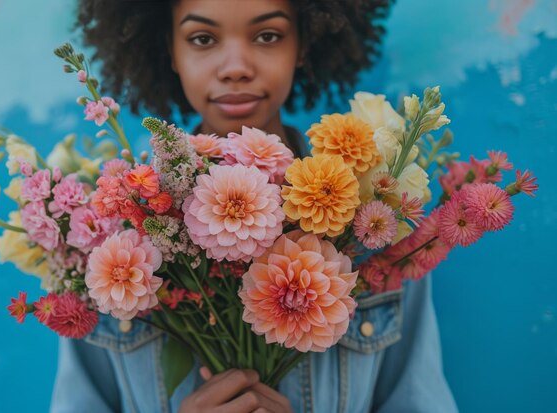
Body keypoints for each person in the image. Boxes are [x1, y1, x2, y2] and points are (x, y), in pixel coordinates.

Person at [51, 1, 458, 412]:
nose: (235, 67)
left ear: (302, 43)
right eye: (203, 38)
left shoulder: (376, 223)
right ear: (170, 50)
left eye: (267, 35)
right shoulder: (110, 238)